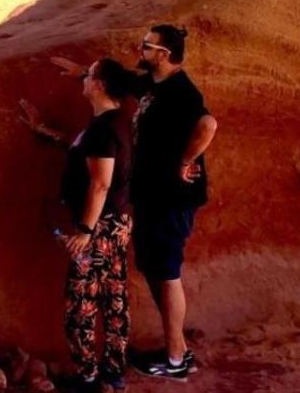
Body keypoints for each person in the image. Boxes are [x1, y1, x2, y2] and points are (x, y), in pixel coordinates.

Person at [50, 25, 217, 380]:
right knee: (157, 270)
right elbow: (123, 81)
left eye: (147, 46)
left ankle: (174, 359)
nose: (139, 49)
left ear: (165, 54)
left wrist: (184, 162)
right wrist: (85, 73)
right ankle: (178, 352)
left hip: (173, 198)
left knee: (167, 273)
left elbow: (208, 124)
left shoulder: (181, 91)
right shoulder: (152, 84)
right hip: (155, 197)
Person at [23, 58, 134, 393]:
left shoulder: (104, 128)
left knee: (81, 303)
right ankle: (114, 373)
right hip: (117, 222)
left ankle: (86, 376)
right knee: (114, 298)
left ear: (98, 84)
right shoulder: (116, 122)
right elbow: (86, 153)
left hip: (98, 228)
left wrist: (85, 231)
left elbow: (100, 183)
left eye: (88, 75)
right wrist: (47, 132)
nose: (83, 79)